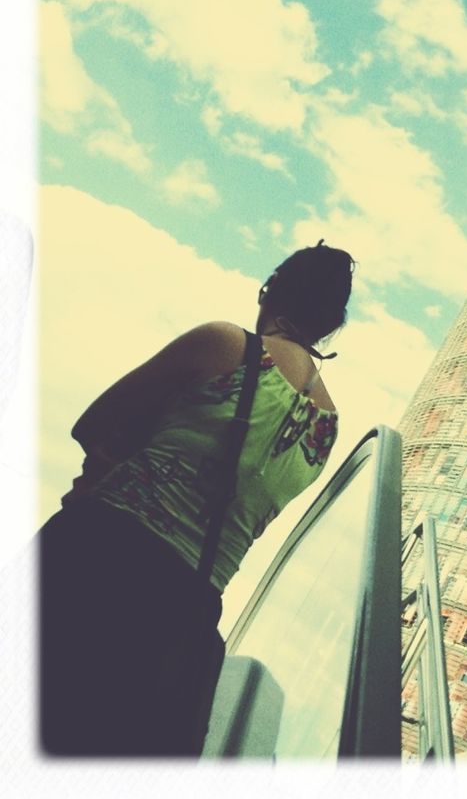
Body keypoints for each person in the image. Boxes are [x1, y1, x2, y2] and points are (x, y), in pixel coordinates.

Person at [39, 241, 354, 757]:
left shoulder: (225, 344)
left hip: (97, 558)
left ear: (269, 292)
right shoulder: (327, 426)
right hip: (185, 618)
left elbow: (93, 423)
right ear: (330, 324)